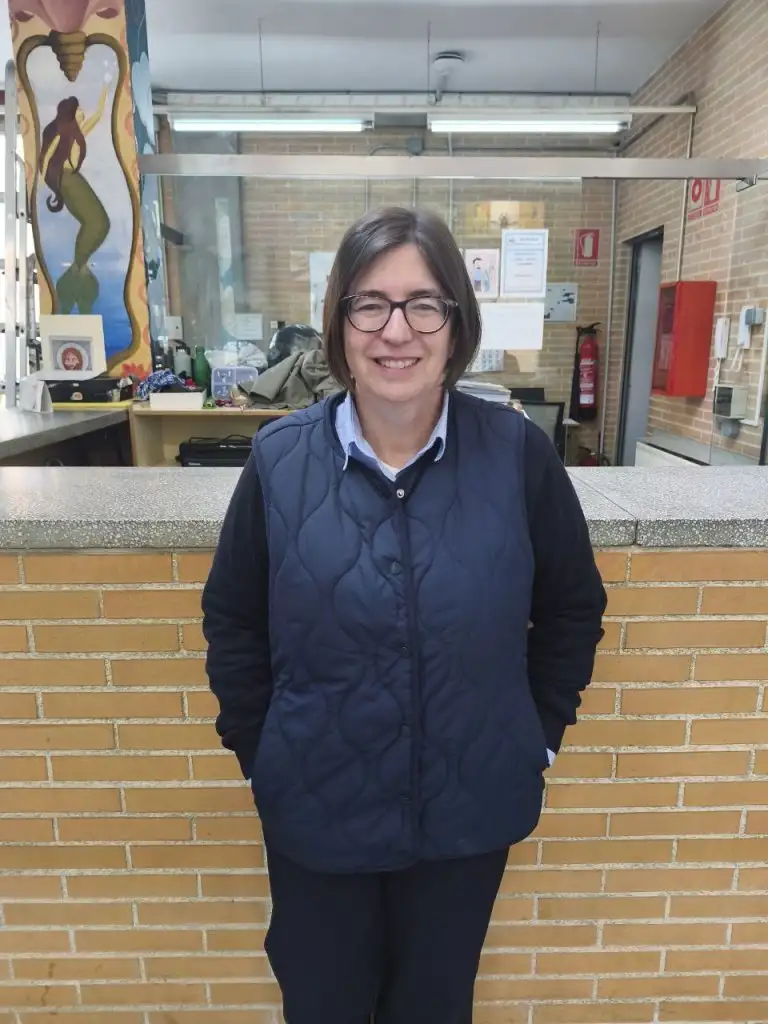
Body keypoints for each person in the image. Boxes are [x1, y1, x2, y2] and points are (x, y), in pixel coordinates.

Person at [202, 206, 606, 1024]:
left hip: (467, 817)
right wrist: (261, 751)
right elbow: (234, 619)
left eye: (423, 304)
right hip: (316, 812)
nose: (396, 331)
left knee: (433, 1007)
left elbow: (571, 607)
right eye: (370, 304)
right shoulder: (280, 459)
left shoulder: (516, 455)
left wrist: (537, 735)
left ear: (456, 323)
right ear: (340, 322)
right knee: (323, 1005)